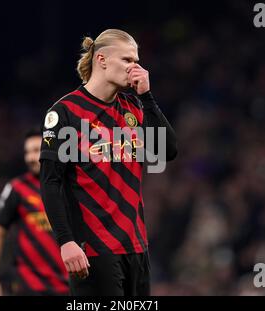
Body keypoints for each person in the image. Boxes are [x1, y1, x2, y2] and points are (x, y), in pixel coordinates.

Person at [39, 29, 177, 296]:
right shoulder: (65, 112)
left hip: (137, 248)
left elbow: (167, 151)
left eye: (136, 61)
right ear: (101, 60)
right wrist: (65, 241)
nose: (135, 68)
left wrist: (147, 98)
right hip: (93, 250)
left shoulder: (134, 108)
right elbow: (50, 182)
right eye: (127, 60)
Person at [0, 128, 69, 296]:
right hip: (29, 285)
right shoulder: (17, 188)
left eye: (36, 150)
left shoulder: (68, 185)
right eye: (26, 152)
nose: (30, 157)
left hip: (68, 285)